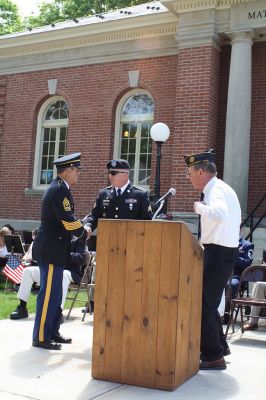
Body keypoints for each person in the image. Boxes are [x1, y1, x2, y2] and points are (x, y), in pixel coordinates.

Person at [184, 149, 241, 370]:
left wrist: (199, 208)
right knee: (207, 303)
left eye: (190, 172)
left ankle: (213, 356)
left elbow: (219, 214)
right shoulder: (220, 188)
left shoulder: (215, 190)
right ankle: (219, 348)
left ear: (201, 171)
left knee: (204, 305)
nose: (188, 177)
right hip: (220, 252)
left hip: (219, 253)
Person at [32, 152, 89, 350]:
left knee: (56, 294)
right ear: (68, 170)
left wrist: (80, 227)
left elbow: (66, 218)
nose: (78, 174)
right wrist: (83, 231)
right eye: (77, 170)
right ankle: (41, 337)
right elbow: (66, 220)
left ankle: (52, 331)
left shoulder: (61, 188)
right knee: (49, 294)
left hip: (56, 249)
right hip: (50, 250)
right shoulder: (58, 191)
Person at [10, 234, 89, 320]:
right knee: (28, 271)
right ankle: (22, 308)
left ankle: (57, 313)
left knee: (62, 275)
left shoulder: (78, 240)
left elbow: (83, 258)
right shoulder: (52, 237)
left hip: (69, 272)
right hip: (50, 269)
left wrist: (63, 254)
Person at [83, 158, 153, 237]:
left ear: (124, 175)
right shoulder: (103, 193)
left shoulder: (140, 195)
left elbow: (148, 223)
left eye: (113, 173)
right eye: (109, 172)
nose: (110, 176)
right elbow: (94, 216)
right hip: (106, 241)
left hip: (131, 243)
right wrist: (88, 226)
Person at [222, 234, 254, 323]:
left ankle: (226, 314)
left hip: (238, 277)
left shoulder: (247, 245)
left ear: (240, 230)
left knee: (230, 284)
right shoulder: (224, 243)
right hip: (223, 274)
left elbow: (248, 263)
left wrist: (234, 255)